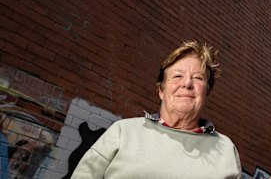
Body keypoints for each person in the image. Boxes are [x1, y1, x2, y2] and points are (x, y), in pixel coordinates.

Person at [72, 40, 242, 178]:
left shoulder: (225, 149)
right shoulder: (124, 132)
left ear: (207, 92)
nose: (187, 83)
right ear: (161, 90)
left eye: (198, 78)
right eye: (178, 76)